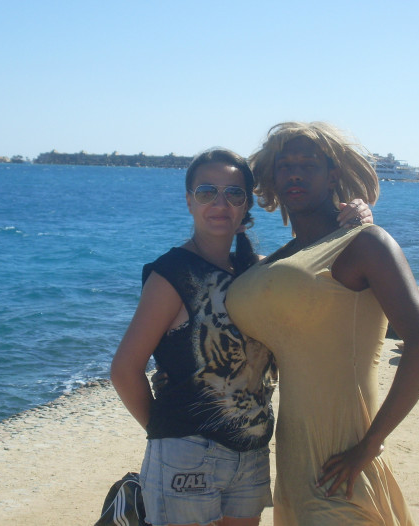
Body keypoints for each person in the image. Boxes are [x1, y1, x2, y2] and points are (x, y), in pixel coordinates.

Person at [110, 148, 372, 526]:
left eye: (233, 193)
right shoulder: (171, 274)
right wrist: (167, 434)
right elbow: (124, 369)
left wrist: (356, 218)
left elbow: (321, 271)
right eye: (206, 192)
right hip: (187, 452)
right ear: (189, 201)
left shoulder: (259, 274)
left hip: (252, 453)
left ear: (246, 205)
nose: (220, 203)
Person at [226, 122, 419, 525]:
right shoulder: (283, 258)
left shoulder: (365, 242)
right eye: (285, 165)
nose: (294, 174)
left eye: (308, 165)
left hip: (344, 460)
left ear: (332, 176)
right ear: (273, 178)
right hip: (292, 462)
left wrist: (369, 446)